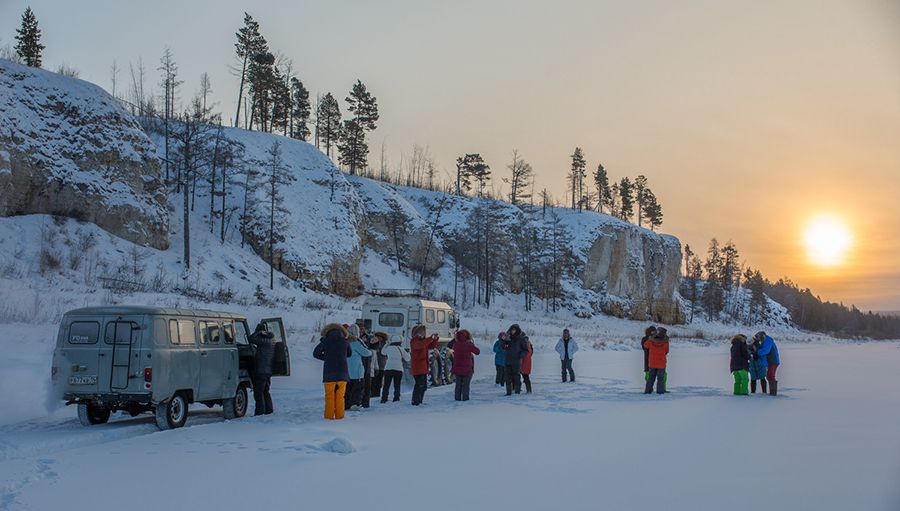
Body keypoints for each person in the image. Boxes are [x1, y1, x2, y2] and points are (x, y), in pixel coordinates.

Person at [313, 323, 352, 420]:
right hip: (343, 372)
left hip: (329, 373)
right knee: (340, 396)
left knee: (329, 396)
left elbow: (315, 354)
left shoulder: (325, 341)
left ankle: (328, 416)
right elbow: (349, 354)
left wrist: (326, 358)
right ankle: (340, 416)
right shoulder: (345, 341)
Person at [248, 323, 276, 415]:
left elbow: (250, 339)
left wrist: (257, 332)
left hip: (261, 370)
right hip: (268, 371)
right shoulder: (271, 339)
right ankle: (269, 410)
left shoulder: (263, 340)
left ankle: (259, 413)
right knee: (265, 392)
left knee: (258, 393)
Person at [346, 324, 372, 411]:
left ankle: (346, 404)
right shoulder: (356, 342)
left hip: (346, 371)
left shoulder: (345, 341)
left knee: (347, 389)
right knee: (358, 388)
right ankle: (355, 404)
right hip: (356, 371)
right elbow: (366, 353)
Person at [410, 325, 438, 405]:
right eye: (421, 332)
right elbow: (421, 345)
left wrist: (435, 339)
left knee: (424, 386)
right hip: (417, 367)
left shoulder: (423, 341)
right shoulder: (414, 341)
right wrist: (430, 338)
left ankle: (419, 401)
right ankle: (415, 401)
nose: (423, 334)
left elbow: (432, 346)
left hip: (423, 367)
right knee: (419, 385)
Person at [450, 329, 480, 401]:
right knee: (466, 385)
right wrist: (471, 344)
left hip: (457, 368)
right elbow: (477, 352)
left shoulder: (455, 345)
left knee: (458, 385)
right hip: (467, 368)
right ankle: (465, 399)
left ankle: (457, 398)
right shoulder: (468, 345)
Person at [380, 335, 409, 403]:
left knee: (386, 385)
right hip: (398, 369)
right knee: (397, 385)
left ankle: (384, 398)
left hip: (388, 368)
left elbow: (382, 352)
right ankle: (396, 398)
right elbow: (408, 358)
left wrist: (387, 344)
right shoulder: (401, 349)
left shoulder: (389, 348)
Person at [503, 324, 529, 395]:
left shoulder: (521, 339)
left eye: (514, 330)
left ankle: (517, 392)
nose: (512, 331)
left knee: (516, 377)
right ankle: (508, 392)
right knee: (507, 377)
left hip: (516, 361)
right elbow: (503, 347)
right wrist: (504, 341)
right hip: (507, 360)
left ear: (517, 330)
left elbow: (526, 350)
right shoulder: (508, 338)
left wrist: (520, 355)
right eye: (511, 330)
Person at [753, 331, 780, 396]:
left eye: (758, 338)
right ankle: (772, 392)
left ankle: (773, 393)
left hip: (773, 361)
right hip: (769, 362)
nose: (758, 339)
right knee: (769, 376)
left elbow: (765, 351)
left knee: (771, 375)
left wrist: (756, 351)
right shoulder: (764, 341)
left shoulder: (768, 341)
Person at [643, 327, 669, 394]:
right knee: (660, 379)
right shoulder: (665, 342)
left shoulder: (651, 341)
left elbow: (645, 345)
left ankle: (647, 391)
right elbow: (666, 351)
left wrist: (651, 338)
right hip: (661, 363)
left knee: (651, 378)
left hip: (652, 363)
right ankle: (660, 392)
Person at [370, 332, 389, 398]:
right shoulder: (376, 343)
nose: (377, 338)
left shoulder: (385, 344)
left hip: (381, 364)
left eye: (378, 337)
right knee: (374, 380)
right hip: (376, 364)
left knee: (379, 380)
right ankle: (373, 392)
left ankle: (376, 393)